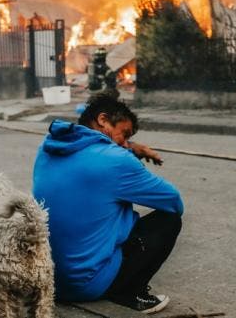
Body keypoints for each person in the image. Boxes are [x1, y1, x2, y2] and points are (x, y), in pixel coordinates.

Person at [32, 93, 183, 314]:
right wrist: (129, 159)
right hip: (85, 286)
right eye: (124, 134)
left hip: (46, 280)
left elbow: (92, 161)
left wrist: (130, 148)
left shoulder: (47, 148)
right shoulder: (116, 160)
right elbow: (174, 202)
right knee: (168, 221)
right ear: (103, 120)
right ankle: (130, 291)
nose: (124, 143)